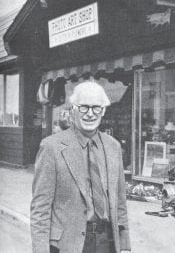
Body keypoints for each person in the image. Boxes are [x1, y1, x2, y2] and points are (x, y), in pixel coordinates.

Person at [31, 81, 131, 253]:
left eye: (96, 108)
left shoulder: (113, 147)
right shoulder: (52, 147)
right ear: (73, 109)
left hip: (107, 243)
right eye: (84, 107)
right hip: (67, 245)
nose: (90, 114)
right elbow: (40, 209)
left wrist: (125, 246)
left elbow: (120, 202)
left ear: (103, 110)